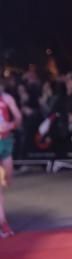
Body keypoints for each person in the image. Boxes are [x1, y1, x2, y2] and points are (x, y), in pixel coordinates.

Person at [0, 82, 23, 238]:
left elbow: (19, 118)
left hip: (5, 142)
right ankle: (3, 223)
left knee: (8, 179)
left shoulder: (6, 99)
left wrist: (11, 125)